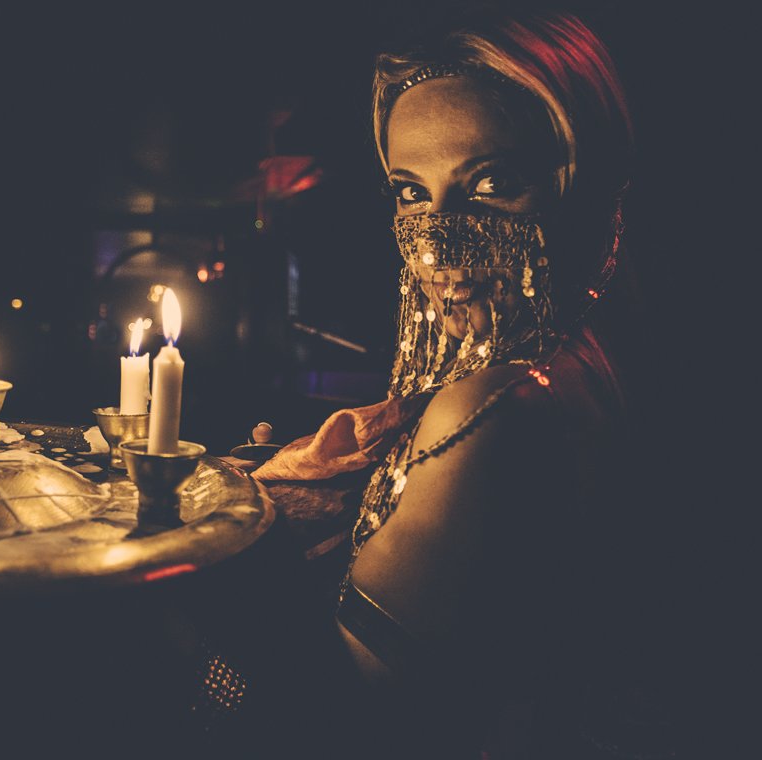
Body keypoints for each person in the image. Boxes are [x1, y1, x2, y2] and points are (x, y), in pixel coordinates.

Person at [191, 9, 644, 757]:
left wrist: (231, 547)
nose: (437, 241)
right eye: (409, 192)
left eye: (492, 182)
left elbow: (334, 719)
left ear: (580, 183)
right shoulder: (576, 362)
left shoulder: (494, 406)